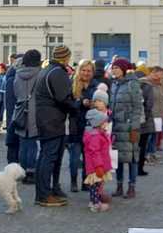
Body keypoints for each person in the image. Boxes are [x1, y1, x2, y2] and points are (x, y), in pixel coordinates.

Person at [33, 45, 78, 207]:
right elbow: (63, 98)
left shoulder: (46, 69)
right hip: (52, 120)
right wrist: (77, 106)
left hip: (45, 119)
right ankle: (44, 195)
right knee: (49, 157)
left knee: (47, 157)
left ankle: (48, 191)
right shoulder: (58, 72)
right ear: (66, 57)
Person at [109, 58, 143, 199]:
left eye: (116, 68)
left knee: (132, 158)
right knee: (118, 158)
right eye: (113, 68)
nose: (114, 70)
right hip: (116, 127)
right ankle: (119, 186)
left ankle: (131, 187)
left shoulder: (132, 84)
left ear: (123, 69)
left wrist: (134, 126)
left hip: (129, 127)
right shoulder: (114, 84)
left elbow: (138, 107)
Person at [12, 51, 42, 181]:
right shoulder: (40, 74)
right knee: (32, 144)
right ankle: (31, 171)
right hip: (35, 112)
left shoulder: (17, 74)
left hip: (20, 111)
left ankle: (22, 171)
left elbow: (15, 92)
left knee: (23, 143)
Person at [70, 59, 97, 192]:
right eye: (84, 70)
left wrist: (96, 104)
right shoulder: (72, 84)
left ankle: (86, 181)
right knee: (74, 157)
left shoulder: (96, 85)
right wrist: (81, 102)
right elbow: (68, 104)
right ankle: (73, 181)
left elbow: (103, 103)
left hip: (91, 125)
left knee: (88, 156)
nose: (86, 73)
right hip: (75, 124)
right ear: (79, 71)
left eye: (89, 71)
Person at [82, 96, 113, 212]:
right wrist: (99, 166)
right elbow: (95, 153)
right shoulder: (95, 136)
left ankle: (94, 202)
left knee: (96, 186)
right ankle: (96, 204)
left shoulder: (98, 134)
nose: (106, 125)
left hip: (97, 166)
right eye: (104, 123)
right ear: (98, 123)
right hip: (96, 167)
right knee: (95, 186)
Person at [139, 66, 163, 173]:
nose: (161, 76)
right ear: (154, 73)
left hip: (159, 114)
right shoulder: (145, 84)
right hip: (151, 114)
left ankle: (152, 154)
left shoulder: (159, 84)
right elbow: (147, 101)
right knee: (149, 137)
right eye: (160, 73)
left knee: (155, 135)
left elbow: (161, 99)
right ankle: (146, 156)